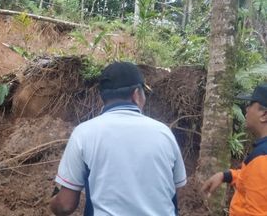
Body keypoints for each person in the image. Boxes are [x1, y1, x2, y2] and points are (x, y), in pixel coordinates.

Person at [49, 61, 187, 216]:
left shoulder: (84, 133)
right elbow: (175, 190)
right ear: (136, 95)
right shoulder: (164, 133)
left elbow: (65, 206)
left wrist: (54, 201)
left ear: (103, 98)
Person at [202, 83, 267, 215]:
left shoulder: (262, 157)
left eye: (251, 105)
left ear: (264, 115)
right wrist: (226, 175)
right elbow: (252, 180)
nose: (247, 109)